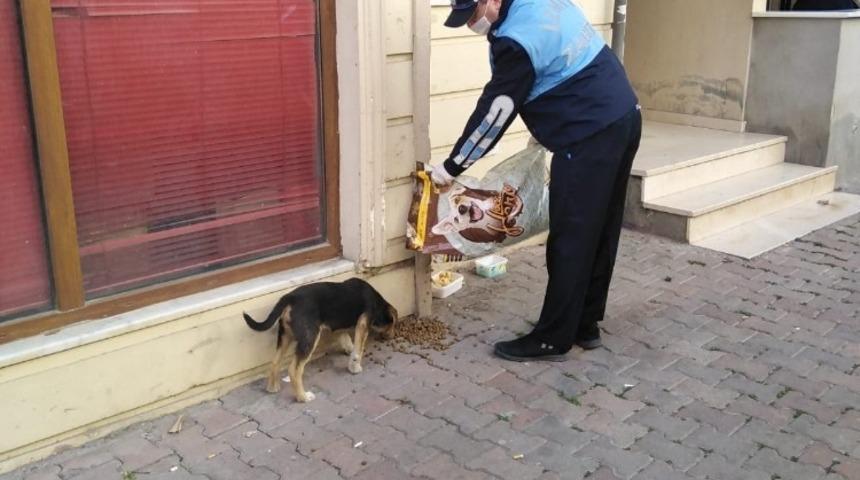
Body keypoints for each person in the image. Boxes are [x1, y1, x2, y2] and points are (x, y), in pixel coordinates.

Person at [432, 0, 641, 362]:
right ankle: (585, 324)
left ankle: (552, 338)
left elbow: (495, 115)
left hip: (588, 134)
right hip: (623, 115)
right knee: (600, 230)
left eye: (473, 15)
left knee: (570, 239)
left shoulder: (515, 41)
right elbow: (561, 65)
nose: (471, 24)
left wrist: (452, 166)